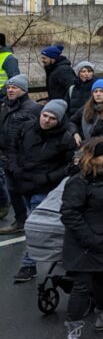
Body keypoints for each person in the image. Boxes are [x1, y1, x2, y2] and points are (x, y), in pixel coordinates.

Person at [60, 137, 103, 339]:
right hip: (85, 244)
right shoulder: (78, 182)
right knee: (82, 286)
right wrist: (90, 238)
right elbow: (70, 214)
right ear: (93, 158)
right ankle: (72, 331)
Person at [9, 100, 75, 282]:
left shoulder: (65, 138)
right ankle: (63, 252)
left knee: (34, 225)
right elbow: (13, 149)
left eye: (52, 118)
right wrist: (14, 168)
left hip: (44, 187)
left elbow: (68, 166)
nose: (46, 120)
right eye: (44, 115)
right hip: (23, 181)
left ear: (59, 120)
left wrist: (48, 178)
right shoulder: (27, 128)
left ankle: (28, 265)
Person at [0, 75, 40, 245]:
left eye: (14, 87)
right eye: (9, 87)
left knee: (29, 192)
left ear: (24, 90)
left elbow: (38, 134)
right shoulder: (4, 107)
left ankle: (37, 223)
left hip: (23, 158)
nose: (10, 90)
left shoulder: (33, 109)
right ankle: (20, 221)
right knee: (12, 190)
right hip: (6, 156)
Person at [69, 78, 103, 146]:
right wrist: (75, 133)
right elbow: (72, 122)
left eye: (102, 91)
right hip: (87, 146)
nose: (98, 94)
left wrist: (83, 144)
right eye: (95, 91)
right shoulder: (86, 107)